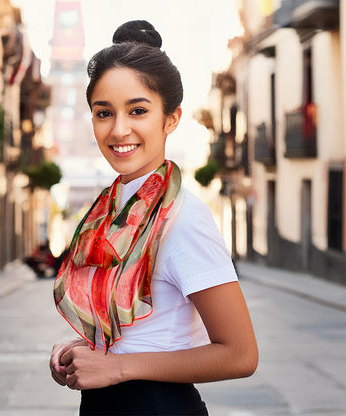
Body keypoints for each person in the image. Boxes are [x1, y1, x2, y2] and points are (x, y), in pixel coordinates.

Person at [50, 20, 258, 416]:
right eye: (104, 112)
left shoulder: (183, 216)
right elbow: (146, 334)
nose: (119, 129)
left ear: (171, 118)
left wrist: (117, 366)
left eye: (138, 110)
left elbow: (241, 354)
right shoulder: (112, 210)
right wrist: (85, 350)